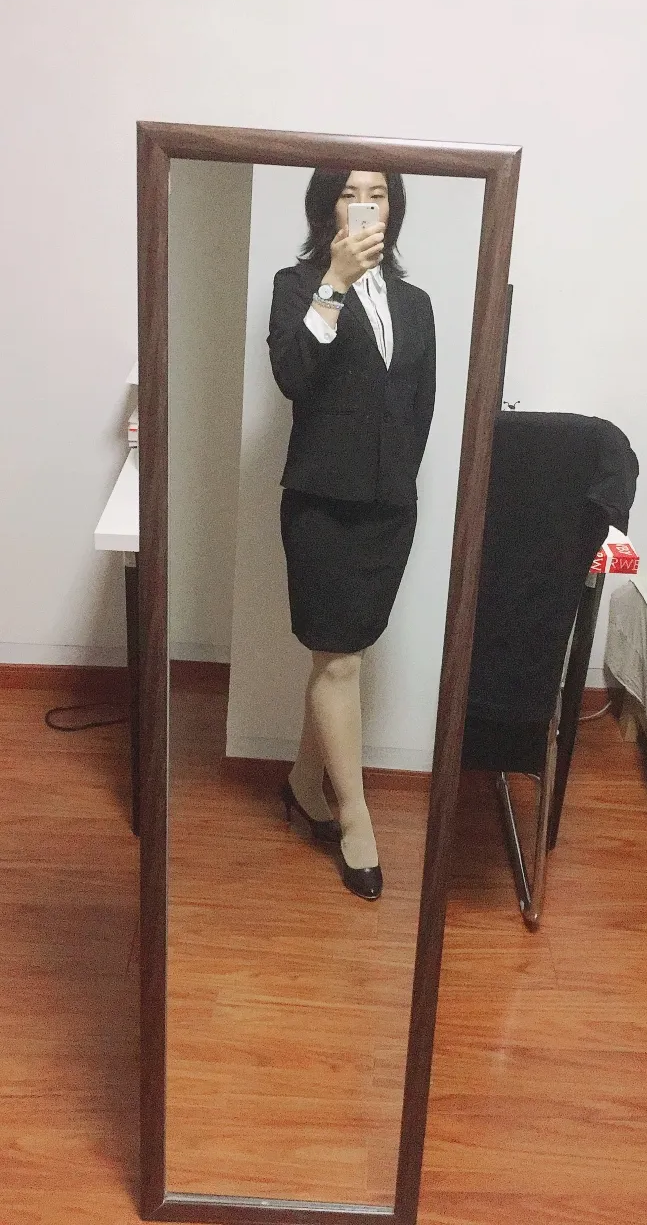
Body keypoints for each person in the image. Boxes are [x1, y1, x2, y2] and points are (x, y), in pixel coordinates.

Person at [267, 169, 436, 900]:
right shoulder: (295, 285)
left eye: (379, 194)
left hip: (389, 505)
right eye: (350, 192)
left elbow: (420, 407)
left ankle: (303, 783)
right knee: (336, 661)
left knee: (344, 655)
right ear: (326, 205)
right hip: (321, 504)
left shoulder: (417, 304)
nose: (367, 205)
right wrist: (333, 283)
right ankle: (356, 820)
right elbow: (293, 376)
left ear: (394, 208)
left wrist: (400, 485)